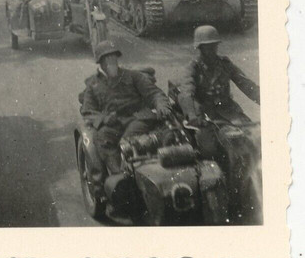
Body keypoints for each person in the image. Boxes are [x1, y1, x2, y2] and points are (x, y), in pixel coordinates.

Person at [80, 40, 172, 175]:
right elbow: (87, 111)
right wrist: (104, 119)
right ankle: (119, 175)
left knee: (129, 142)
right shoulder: (93, 84)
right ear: (100, 62)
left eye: (114, 58)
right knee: (101, 138)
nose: (112, 62)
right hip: (112, 123)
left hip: (137, 118)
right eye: (107, 59)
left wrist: (162, 105)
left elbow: (154, 93)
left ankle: (136, 169)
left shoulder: (133, 76)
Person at [177, 25, 260, 126]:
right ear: (200, 48)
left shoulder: (225, 64)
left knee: (250, 133)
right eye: (208, 47)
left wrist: (265, 100)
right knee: (207, 139)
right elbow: (187, 92)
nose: (212, 50)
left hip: (229, 110)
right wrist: (192, 115)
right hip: (204, 115)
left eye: (214, 46)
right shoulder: (193, 68)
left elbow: (247, 85)